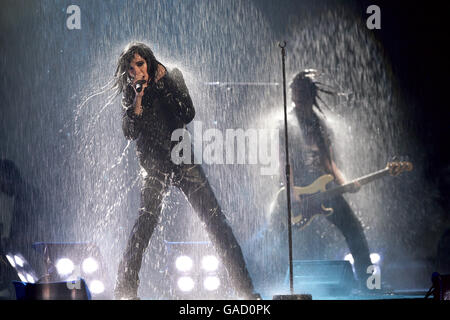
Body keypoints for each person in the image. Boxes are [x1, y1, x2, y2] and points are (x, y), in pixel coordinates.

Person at [113, 42, 259, 300]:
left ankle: (246, 291)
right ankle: (125, 290)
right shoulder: (130, 92)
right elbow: (129, 132)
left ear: (149, 61)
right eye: (131, 67)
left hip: (182, 157)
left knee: (216, 221)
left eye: (140, 64)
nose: (136, 70)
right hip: (153, 164)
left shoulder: (172, 77)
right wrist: (137, 98)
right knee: (145, 222)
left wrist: (165, 84)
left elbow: (188, 113)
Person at [265, 70, 372, 290]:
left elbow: (328, 162)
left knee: (354, 229)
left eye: (301, 92)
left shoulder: (320, 123)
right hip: (296, 185)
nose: (297, 97)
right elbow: (285, 160)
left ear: (310, 94)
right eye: (295, 92)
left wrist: (345, 184)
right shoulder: (286, 123)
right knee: (277, 234)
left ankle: (370, 284)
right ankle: (273, 285)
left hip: (323, 185)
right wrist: (292, 190)